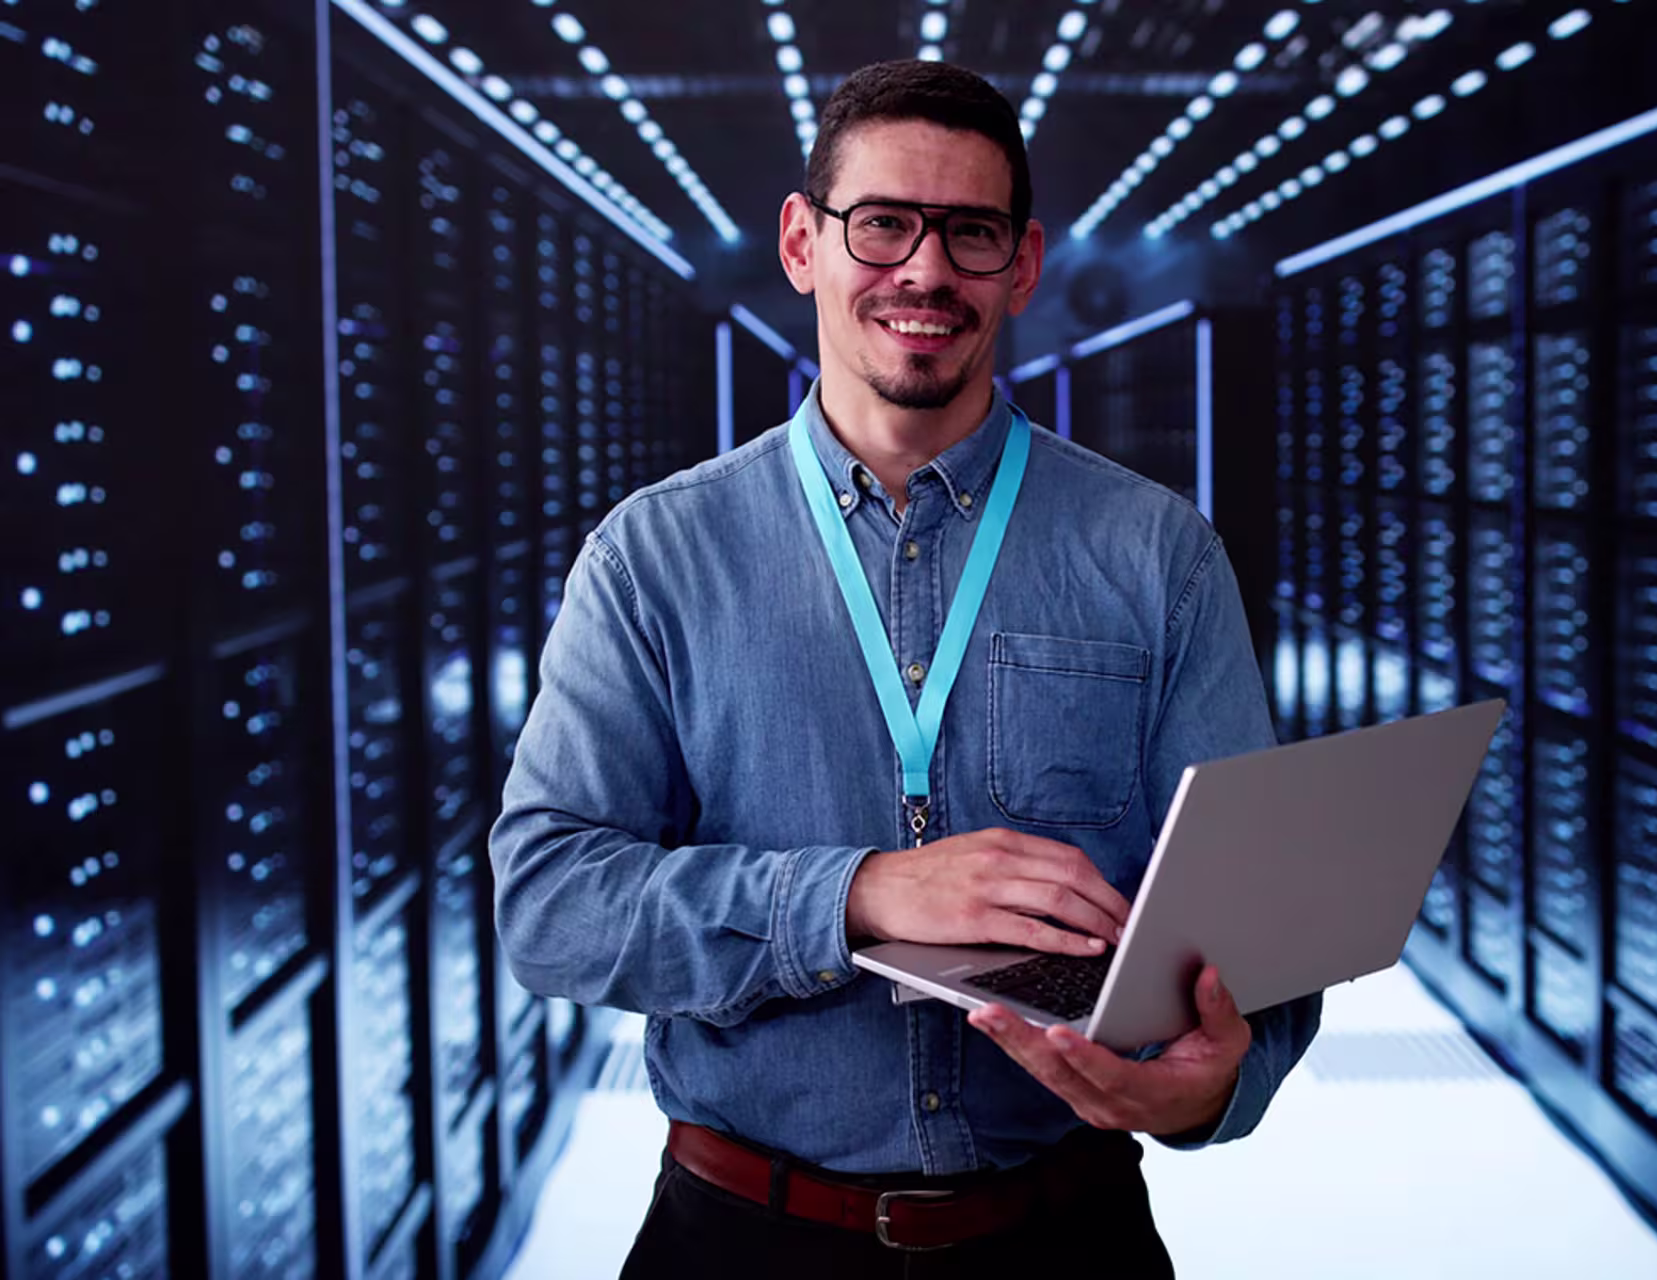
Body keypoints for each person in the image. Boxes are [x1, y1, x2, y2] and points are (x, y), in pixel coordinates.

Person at [490, 57, 1323, 1278]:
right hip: (742, 1237)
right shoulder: (656, 556)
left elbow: (1259, 940)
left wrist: (1210, 1085)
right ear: (802, 241)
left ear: (1023, 264)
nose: (924, 271)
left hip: (1065, 1236)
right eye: (881, 224)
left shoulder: (1157, 555)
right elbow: (552, 903)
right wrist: (857, 893)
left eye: (970, 233)